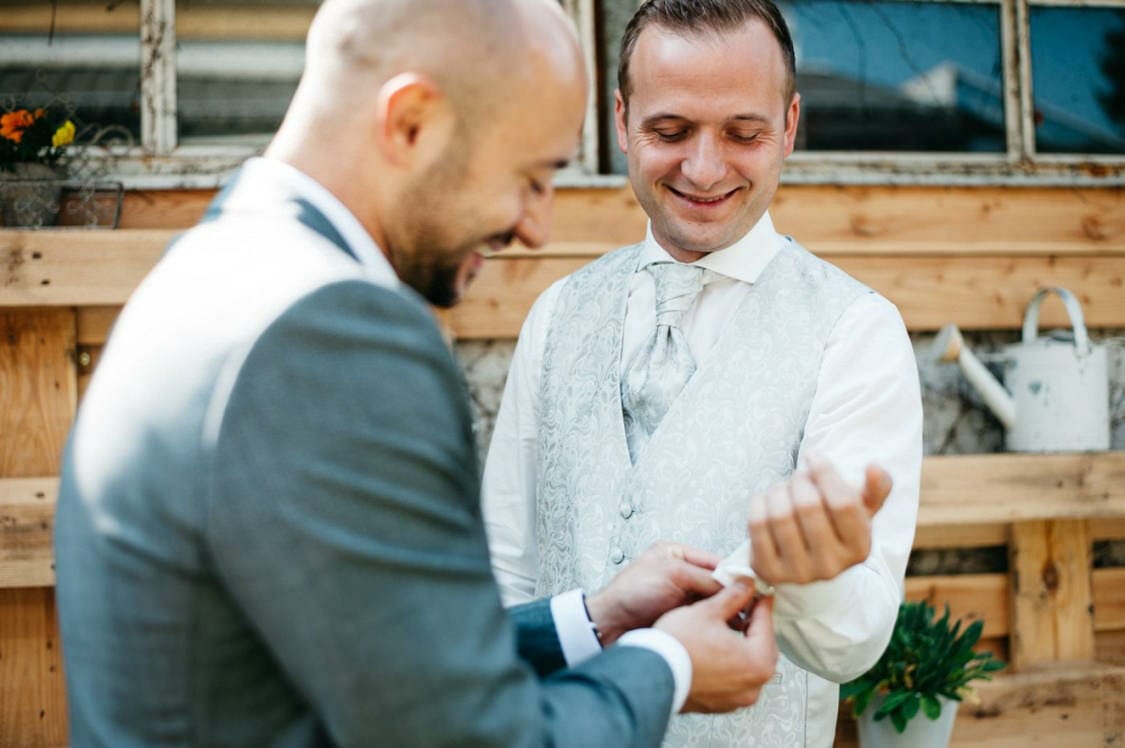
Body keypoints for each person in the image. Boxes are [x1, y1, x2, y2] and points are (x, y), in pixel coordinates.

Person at [52, 1, 783, 746]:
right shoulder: (332, 334)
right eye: (529, 176)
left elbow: (379, 656)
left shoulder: (218, 271)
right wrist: (666, 665)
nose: (535, 227)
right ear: (411, 124)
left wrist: (591, 618)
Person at [481, 0, 924, 746]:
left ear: (787, 126)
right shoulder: (557, 313)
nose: (704, 167)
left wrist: (807, 573)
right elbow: (503, 569)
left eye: (743, 133)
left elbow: (855, 641)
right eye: (670, 130)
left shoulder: (855, 334)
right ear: (621, 121)